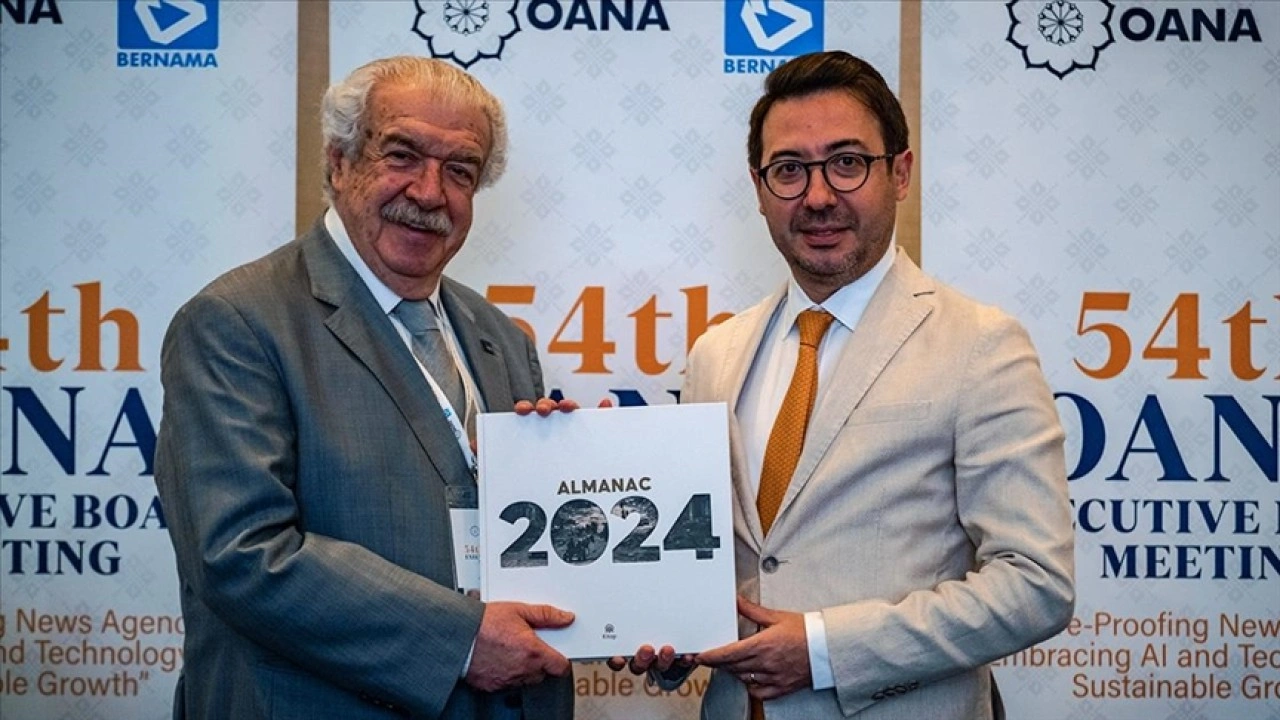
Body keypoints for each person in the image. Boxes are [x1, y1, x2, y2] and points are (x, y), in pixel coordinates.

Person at [615, 50, 1075, 719]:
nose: (819, 196)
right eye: (789, 170)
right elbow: (717, 569)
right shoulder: (718, 354)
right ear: (759, 189)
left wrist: (825, 650)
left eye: (848, 162)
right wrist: (670, 635)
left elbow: (1036, 584)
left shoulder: (980, 346)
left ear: (901, 173)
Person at [154, 56, 577, 719]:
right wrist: (462, 643)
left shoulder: (500, 338)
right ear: (339, 162)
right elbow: (241, 555)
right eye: (402, 155)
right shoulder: (237, 321)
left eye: (460, 171)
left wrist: (577, 499)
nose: (430, 193)